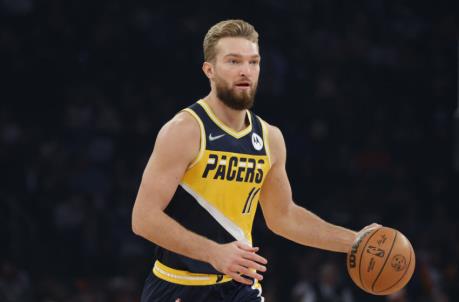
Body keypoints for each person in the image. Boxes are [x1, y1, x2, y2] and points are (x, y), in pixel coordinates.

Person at [132, 19, 378, 302]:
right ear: (209, 70)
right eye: (234, 61)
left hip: (239, 286)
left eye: (253, 62)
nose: (245, 71)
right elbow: (143, 219)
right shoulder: (185, 130)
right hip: (178, 286)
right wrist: (214, 252)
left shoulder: (270, 137)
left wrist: (355, 242)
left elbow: (283, 216)